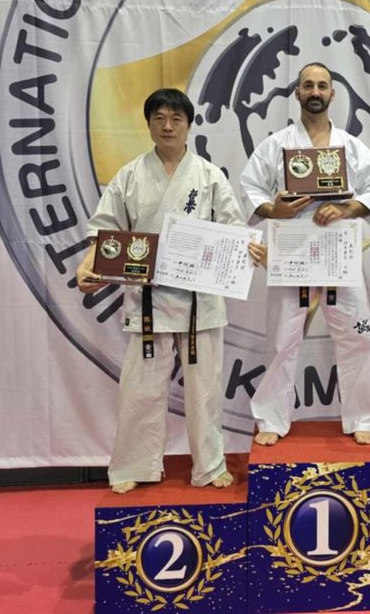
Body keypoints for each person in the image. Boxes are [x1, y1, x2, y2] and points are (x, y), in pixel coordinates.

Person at [77, 88, 256, 494]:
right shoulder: (130, 175)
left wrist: (248, 245)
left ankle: (209, 466)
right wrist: (89, 263)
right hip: (148, 299)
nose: (168, 125)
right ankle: (134, 464)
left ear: (189, 125)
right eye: (159, 118)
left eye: (176, 118)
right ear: (149, 125)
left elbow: (232, 228)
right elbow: (104, 230)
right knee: (141, 388)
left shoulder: (209, 176)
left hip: (200, 304)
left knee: (206, 389)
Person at [240, 62, 370, 446]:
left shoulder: (352, 147)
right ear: (298, 93)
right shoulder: (276, 145)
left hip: (338, 253)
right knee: (281, 339)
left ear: (333, 93)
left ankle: (363, 417)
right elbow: (250, 186)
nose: (315, 91)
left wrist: (347, 209)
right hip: (292, 256)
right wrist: (276, 210)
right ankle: (271, 418)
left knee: (357, 338)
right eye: (308, 85)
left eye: (323, 85)